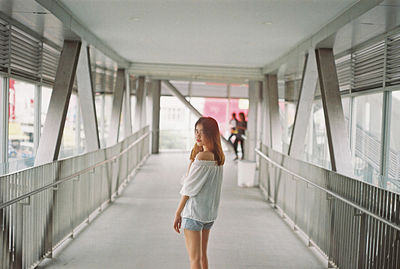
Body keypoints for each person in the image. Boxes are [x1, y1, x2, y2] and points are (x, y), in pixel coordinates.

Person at [173, 117, 225, 269]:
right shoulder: (218, 157)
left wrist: (178, 213)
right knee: (202, 257)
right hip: (208, 215)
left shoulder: (202, 157)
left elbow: (189, 186)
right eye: (196, 131)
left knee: (194, 260)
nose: (198, 136)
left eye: (202, 132)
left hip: (193, 213)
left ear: (211, 134)